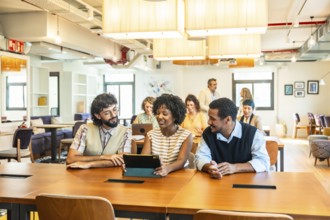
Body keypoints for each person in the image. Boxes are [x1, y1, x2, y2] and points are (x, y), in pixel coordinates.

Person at [195, 97, 269, 179]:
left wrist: (235, 168)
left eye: (212, 119)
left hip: (247, 184)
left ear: (227, 120)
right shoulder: (208, 133)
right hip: (217, 184)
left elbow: (263, 162)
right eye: (209, 117)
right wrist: (210, 167)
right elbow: (200, 157)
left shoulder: (253, 134)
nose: (208, 122)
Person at [66, 93, 132, 169]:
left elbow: (123, 160)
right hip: (85, 177)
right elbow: (70, 159)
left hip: (113, 176)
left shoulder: (126, 132)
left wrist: (89, 164)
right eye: (107, 113)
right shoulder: (85, 129)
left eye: (114, 109)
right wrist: (104, 157)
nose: (113, 115)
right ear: (98, 116)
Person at [141, 93, 193, 176]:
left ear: (175, 116)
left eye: (165, 114)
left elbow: (181, 161)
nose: (159, 117)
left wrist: (167, 168)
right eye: (157, 113)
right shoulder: (150, 135)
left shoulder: (186, 135)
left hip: (179, 175)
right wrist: (131, 165)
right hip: (157, 174)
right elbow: (144, 159)